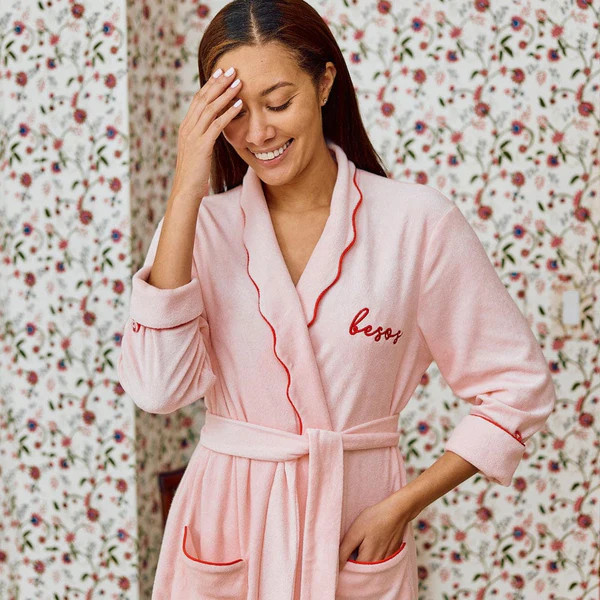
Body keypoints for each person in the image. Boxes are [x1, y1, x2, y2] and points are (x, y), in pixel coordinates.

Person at [117, 0, 557, 598]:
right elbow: (157, 390)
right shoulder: (199, 228)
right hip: (225, 519)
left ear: (324, 83)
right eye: (235, 111)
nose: (258, 133)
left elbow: (517, 385)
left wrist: (400, 506)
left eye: (278, 103)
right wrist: (184, 190)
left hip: (354, 519)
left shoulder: (416, 224)